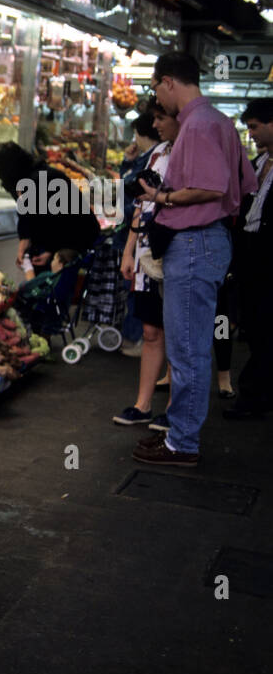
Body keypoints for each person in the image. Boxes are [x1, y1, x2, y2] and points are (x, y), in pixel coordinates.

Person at [132, 52, 256, 467]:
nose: (157, 101)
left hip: (197, 240)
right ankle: (179, 431)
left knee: (187, 349)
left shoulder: (199, 124)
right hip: (208, 240)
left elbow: (210, 186)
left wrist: (160, 197)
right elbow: (245, 182)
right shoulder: (219, 122)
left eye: (155, 89)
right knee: (190, 347)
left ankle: (182, 443)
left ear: (169, 82)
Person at [114, 101, 176, 427]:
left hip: (177, 251)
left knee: (179, 333)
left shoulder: (189, 152)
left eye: (160, 118)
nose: (156, 124)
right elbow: (140, 204)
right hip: (147, 250)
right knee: (151, 330)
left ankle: (176, 410)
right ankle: (142, 405)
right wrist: (129, 251)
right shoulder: (156, 155)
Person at [224, 100, 273, 419]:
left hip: (268, 256)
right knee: (254, 324)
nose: (251, 133)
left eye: (255, 126)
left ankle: (254, 397)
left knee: (265, 325)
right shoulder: (259, 162)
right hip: (249, 254)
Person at [0, 141, 100, 275]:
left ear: (8, 169)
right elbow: (27, 215)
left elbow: (61, 223)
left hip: (76, 245)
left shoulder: (42, 181)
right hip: (61, 244)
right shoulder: (28, 178)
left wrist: (50, 250)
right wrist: (25, 238)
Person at [117, 115, 162, 354]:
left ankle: (135, 337)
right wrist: (127, 162)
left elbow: (136, 200)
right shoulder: (145, 159)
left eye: (135, 133)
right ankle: (135, 336)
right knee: (133, 286)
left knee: (136, 288)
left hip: (140, 234)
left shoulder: (155, 160)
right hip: (131, 232)